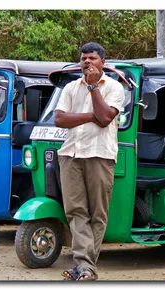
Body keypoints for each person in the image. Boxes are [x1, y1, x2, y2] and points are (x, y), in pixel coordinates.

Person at [54, 42, 125, 281]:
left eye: (92, 58)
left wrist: (94, 87)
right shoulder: (71, 87)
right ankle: (86, 267)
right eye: (84, 58)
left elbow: (105, 118)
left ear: (102, 62)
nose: (87, 62)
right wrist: (89, 117)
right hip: (71, 154)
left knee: (97, 213)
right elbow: (59, 119)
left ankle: (84, 266)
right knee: (75, 212)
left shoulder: (114, 87)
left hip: (100, 155)